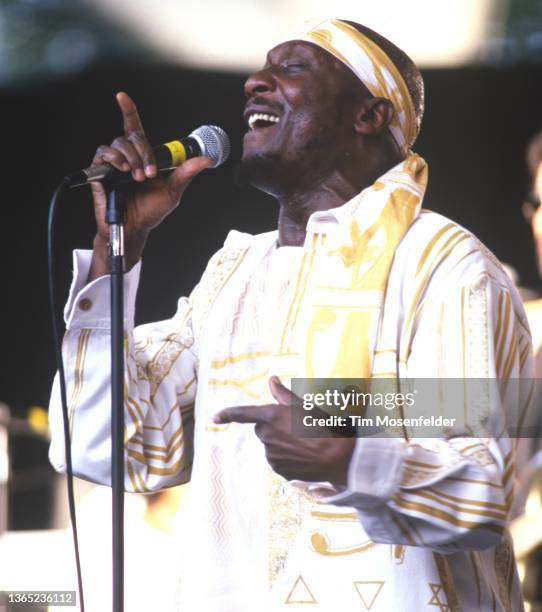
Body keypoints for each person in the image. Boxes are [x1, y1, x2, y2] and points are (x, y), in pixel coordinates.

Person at [49, 18, 533, 611]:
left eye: (294, 68)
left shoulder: (446, 267)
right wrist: (115, 250)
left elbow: (480, 493)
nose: (255, 81)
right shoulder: (234, 275)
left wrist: (350, 458)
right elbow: (104, 446)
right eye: (263, 67)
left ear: (369, 115)